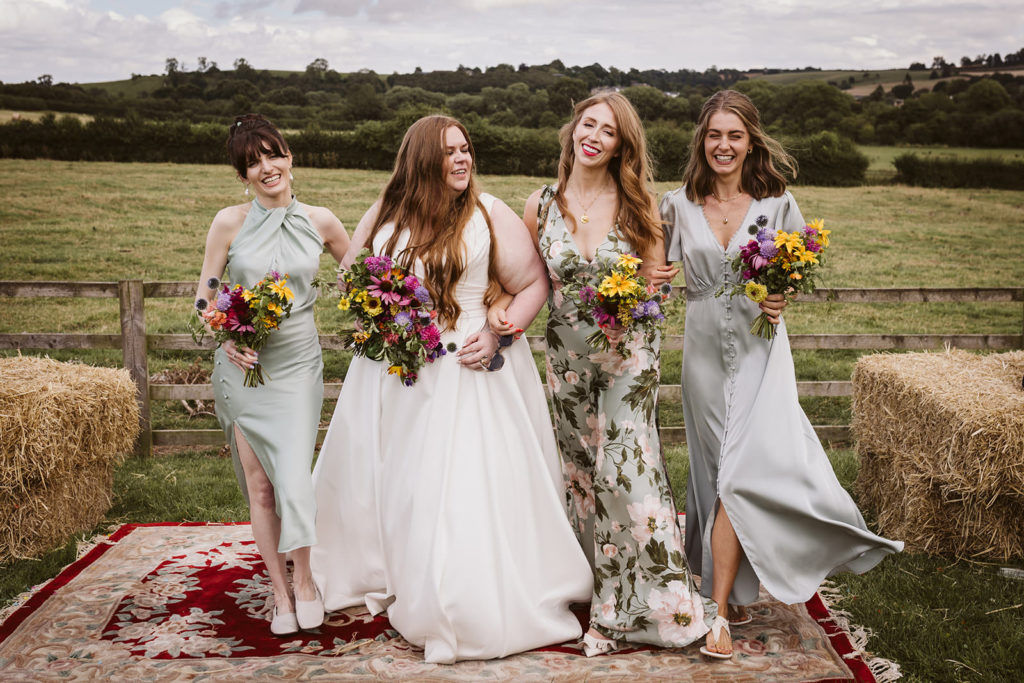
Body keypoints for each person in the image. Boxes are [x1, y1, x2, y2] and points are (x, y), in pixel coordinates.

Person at [309, 115, 592, 664]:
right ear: (420, 160)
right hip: (396, 368)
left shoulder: (488, 213)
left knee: (456, 483)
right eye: (449, 152)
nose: (462, 160)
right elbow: (352, 277)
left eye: (466, 150)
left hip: (467, 366)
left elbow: (534, 282)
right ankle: (391, 566)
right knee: (395, 476)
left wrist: (497, 334)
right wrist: (384, 315)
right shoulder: (385, 213)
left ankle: (458, 587)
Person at [658, 90, 903, 659]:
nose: (724, 145)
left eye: (735, 136)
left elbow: (787, 274)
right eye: (715, 135)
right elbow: (658, 273)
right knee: (712, 471)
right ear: (702, 140)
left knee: (737, 475)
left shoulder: (777, 204)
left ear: (751, 142)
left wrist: (779, 297)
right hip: (699, 355)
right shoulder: (675, 204)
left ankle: (716, 614)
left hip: (760, 351)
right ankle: (734, 588)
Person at [491, 92, 713, 656]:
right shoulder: (539, 205)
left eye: (607, 131)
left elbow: (654, 289)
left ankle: (655, 607)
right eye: (587, 124)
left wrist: (636, 306)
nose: (593, 136)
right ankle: (595, 585)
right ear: (572, 131)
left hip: (628, 356)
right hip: (566, 357)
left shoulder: (640, 206)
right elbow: (526, 279)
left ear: (621, 145)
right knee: (581, 474)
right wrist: (499, 308)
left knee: (624, 469)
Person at [193, 114, 349, 636]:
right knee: (261, 487)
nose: (266, 168)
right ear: (242, 175)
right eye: (252, 162)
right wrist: (225, 334)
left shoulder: (323, 220)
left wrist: (395, 313)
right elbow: (205, 296)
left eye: (272, 155)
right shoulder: (228, 222)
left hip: (299, 364)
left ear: (289, 157)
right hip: (243, 367)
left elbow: (363, 277)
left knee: (294, 481)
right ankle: (279, 594)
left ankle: (305, 581)